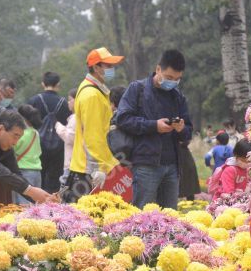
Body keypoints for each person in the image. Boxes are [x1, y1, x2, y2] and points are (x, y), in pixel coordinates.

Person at [117, 49, 193, 209]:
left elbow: (188, 132)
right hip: (145, 164)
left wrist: (180, 129)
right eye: (169, 78)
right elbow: (123, 119)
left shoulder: (177, 96)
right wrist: (154, 126)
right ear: (158, 69)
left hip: (172, 166)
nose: (173, 82)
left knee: (169, 220)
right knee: (143, 216)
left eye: (177, 79)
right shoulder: (137, 89)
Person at [65, 47, 124, 203]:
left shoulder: (95, 91)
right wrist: (99, 169)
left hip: (90, 167)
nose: (112, 69)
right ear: (96, 67)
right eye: (108, 66)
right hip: (91, 172)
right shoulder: (92, 95)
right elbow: (93, 136)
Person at [27, 72, 71, 194]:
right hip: (58, 147)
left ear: (43, 83)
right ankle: (53, 207)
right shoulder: (64, 103)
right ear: (58, 84)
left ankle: (38, 208)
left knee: (39, 177)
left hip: (37, 145)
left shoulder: (34, 101)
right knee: (55, 180)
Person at [11, 105, 43, 205]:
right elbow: (39, 151)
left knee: (24, 204)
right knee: (35, 203)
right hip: (37, 172)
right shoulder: (35, 132)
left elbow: (12, 148)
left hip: (23, 171)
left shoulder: (21, 133)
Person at [55, 87, 77, 187]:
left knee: (66, 191)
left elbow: (70, 137)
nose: (68, 102)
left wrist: (58, 126)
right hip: (75, 162)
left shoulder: (76, 118)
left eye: (70, 99)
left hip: (72, 163)